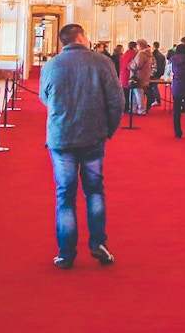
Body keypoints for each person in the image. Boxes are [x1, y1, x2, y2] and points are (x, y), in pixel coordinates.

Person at [39, 23, 123, 269]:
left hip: (61, 138)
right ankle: (98, 243)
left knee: (65, 195)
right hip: (93, 136)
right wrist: (109, 129)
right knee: (94, 190)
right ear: (82, 37)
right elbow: (116, 101)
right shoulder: (102, 62)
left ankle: (66, 254)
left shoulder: (51, 65)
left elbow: (45, 97)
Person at [127, 39, 153, 114]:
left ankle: (141, 110)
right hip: (144, 75)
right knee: (136, 93)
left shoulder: (141, 53)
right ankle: (134, 109)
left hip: (138, 76)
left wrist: (130, 65)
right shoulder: (148, 53)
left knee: (138, 93)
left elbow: (138, 64)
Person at [149, 41, 167, 109]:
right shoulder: (162, 55)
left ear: (153, 46)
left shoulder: (153, 54)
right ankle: (156, 99)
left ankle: (156, 99)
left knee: (153, 86)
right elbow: (164, 64)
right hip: (159, 72)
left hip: (154, 72)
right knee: (154, 86)